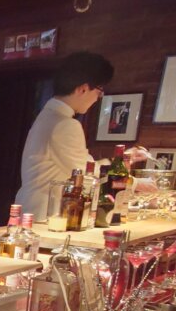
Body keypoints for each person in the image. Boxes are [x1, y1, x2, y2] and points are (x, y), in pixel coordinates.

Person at [14, 51, 113, 220]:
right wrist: (119, 166)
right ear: (83, 89)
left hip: (33, 208)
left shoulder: (48, 115)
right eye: (99, 91)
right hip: (46, 213)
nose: (97, 99)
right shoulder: (65, 124)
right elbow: (85, 173)